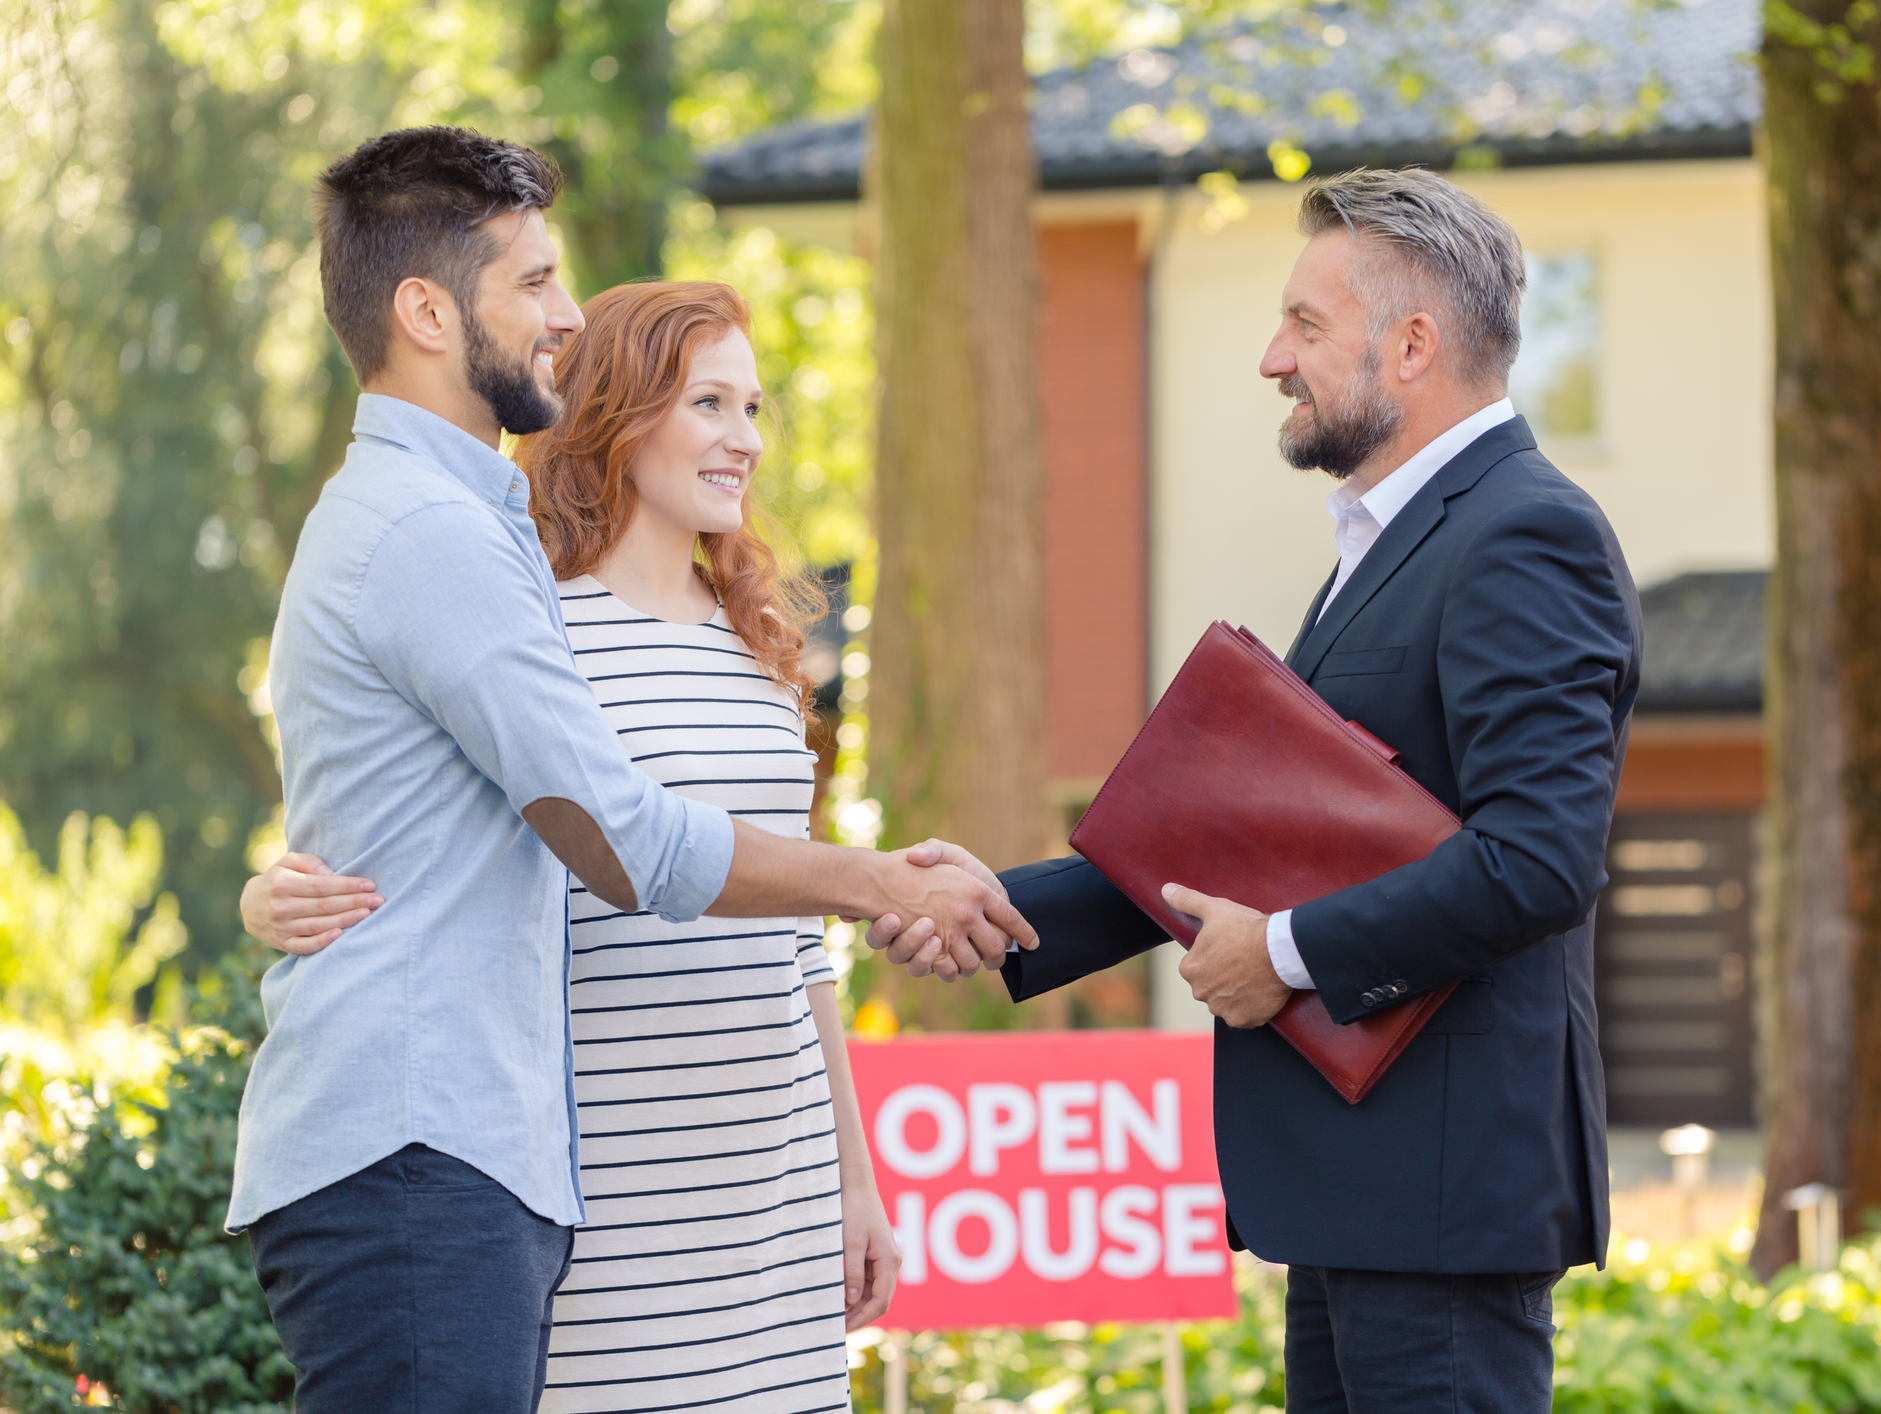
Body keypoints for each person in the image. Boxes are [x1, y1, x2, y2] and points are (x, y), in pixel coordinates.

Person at [236, 125, 1030, 1414]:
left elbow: (418, 818)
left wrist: (849, 1162)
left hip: (516, 1162)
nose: (565, 317)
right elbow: (626, 841)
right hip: (443, 1157)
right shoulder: (442, 538)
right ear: (427, 311)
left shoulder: (457, 529)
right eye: (535, 283)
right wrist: (883, 878)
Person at [878, 166, 1643, 1411]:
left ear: (1411, 344)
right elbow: (1250, 839)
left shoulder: (1522, 534)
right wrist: (1002, 905)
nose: (1270, 357)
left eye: (1304, 323)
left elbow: (1539, 859)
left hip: (1440, 1198)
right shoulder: (1393, 544)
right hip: (1363, 1191)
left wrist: (1285, 952)